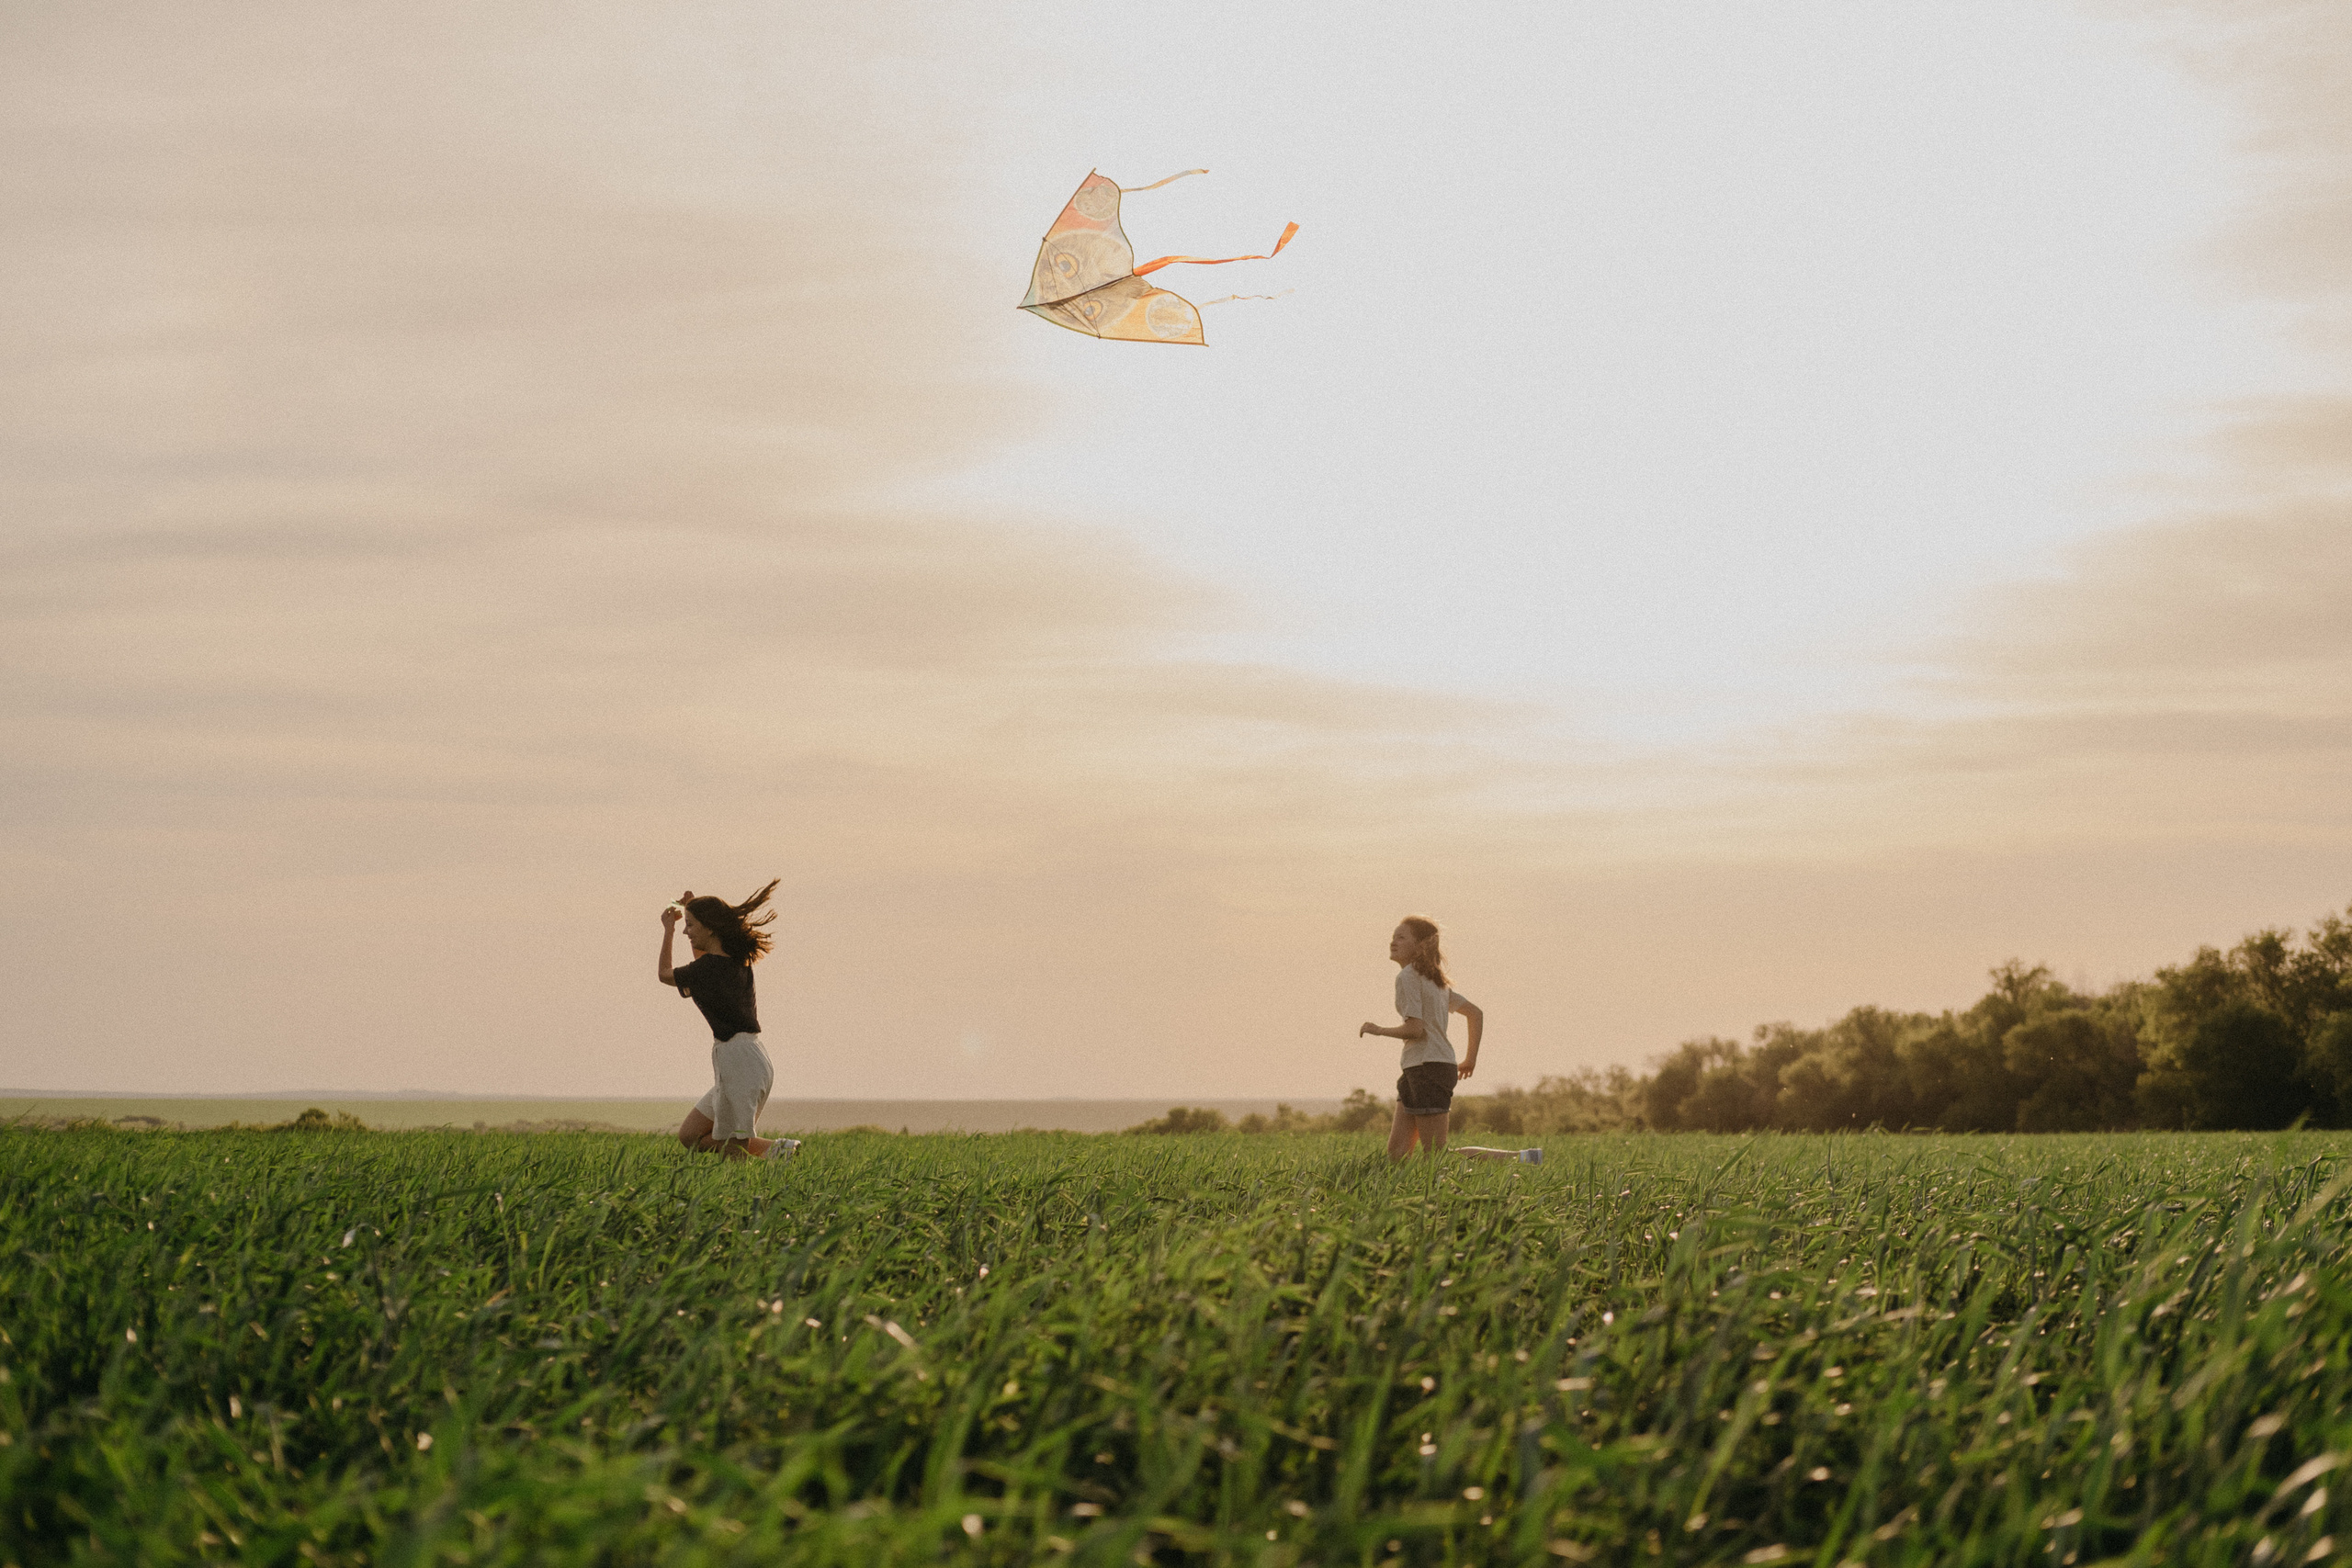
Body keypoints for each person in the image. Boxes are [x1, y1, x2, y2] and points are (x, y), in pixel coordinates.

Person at [659, 882, 795, 1161]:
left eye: (691, 925)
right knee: (691, 1135)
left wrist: (668, 930)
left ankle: (768, 1165)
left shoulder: (709, 968)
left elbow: (664, 974)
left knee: (735, 1148)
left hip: (740, 1060)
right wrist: (692, 907)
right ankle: (777, 1150)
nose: (686, 931)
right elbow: (703, 962)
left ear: (709, 927)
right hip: (745, 1058)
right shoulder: (733, 959)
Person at [1359, 915, 1484, 1161]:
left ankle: (1523, 1158)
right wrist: (1470, 1059)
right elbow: (1475, 1014)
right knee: (1397, 1155)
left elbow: (1415, 1030)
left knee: (1436, 1158)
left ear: (1420, 945)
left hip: (1428, 1069)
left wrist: (1379, 1029)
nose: (1393, 942)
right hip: (1418, 1067)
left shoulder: (1408, 977)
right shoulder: (1436, 981)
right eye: (1393, 937)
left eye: (1402, 937)